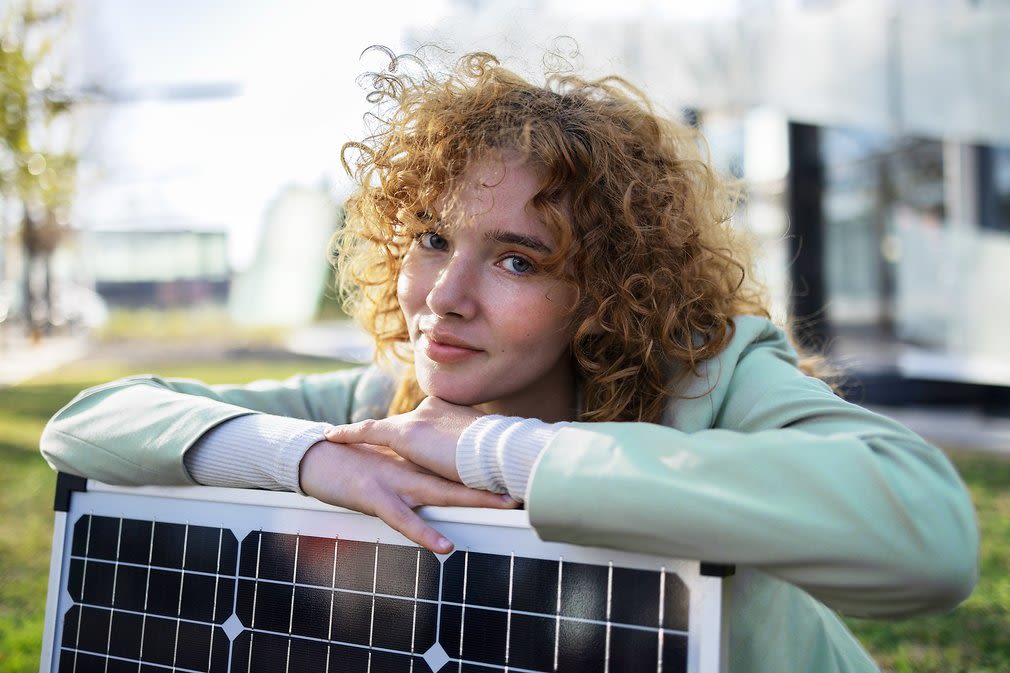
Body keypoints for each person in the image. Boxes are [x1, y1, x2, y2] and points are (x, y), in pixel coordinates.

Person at [41, 49, 978, 673]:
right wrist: (311, 457)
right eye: (431, 237)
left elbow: (928, 536)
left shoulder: (713, 378)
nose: (445, 296)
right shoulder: (383, 405)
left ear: (607, 291)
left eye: (518, 260)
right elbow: (90, 424)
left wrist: (494, 451)